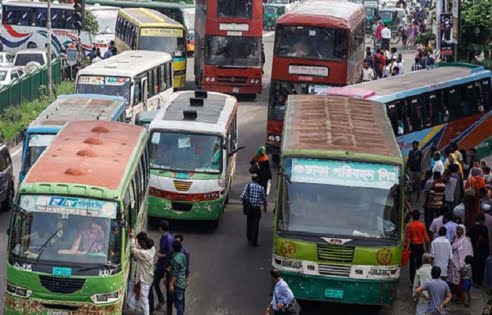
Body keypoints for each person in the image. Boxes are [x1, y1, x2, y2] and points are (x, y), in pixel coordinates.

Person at [150, 220, 174, 313]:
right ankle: (161, 300)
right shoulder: (163, 237)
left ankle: (165, 305)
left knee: (155, 283)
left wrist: (161, 256)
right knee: (155, 283)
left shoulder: (168, 239)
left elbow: (169, 253)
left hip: (164, 266)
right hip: (160, 264)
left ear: (161, 228)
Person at [129, 231, 156, 315]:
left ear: (143, 242)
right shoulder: (152, 249)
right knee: (133, 287)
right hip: (147, 277)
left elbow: (133, 250)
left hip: (144, 279)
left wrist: (132, 239)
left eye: (139, 242)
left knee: (144, 299)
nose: (139, 244)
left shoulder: (145, 254)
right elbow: (139, 251)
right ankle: (134, 307)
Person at [448, 225, 474, 304]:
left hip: (460, 265)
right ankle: (459, 297)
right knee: (456, 283)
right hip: (454, 264)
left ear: (463, 231)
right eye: (457, 230)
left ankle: (462, 299)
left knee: (460, 283)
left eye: (459, 230)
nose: (458, 231)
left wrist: (461, 265)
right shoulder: (456, 239)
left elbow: (464, 253)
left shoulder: (465, 241)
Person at [241, 174, 267, 246]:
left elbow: (242, 196)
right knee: (256, 225)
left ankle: (249, 238)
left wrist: (245, 204)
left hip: (249, 208)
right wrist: (265, 207)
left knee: (249, 223)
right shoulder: (261, 188)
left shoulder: (248, 186)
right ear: (258, 179)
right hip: (256, 209)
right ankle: (254, 241)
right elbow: (264, 199)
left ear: (252, 179)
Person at [405, 210, 430, 284]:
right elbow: (427, 239)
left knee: (412, 265)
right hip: (420, 247)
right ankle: (419, 281)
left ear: (412, 217)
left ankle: (413, 282)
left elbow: (407, 239)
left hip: (412, 247)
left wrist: (406, 248)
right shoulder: (422, 225)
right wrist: (427, 249)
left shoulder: (409, 226)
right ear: (419, 217)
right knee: (420, 264)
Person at [468, 214, 489, 286]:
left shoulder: (473, 228)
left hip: (474, 250)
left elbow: (468, 237)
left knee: (474, 266)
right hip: (482, 251)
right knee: (481, 266)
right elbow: (487, 239)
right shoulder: (484, 228)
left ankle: (475, 281)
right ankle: (480, 281)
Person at [169, 240, 187, 315]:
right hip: (182, 281)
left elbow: (175, 274)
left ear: (173, 248)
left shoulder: (175, 259)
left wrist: (171, 285)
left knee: (178, 303)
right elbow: (184, 268)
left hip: (178, 284)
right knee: (180, 303)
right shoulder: (183, 255)